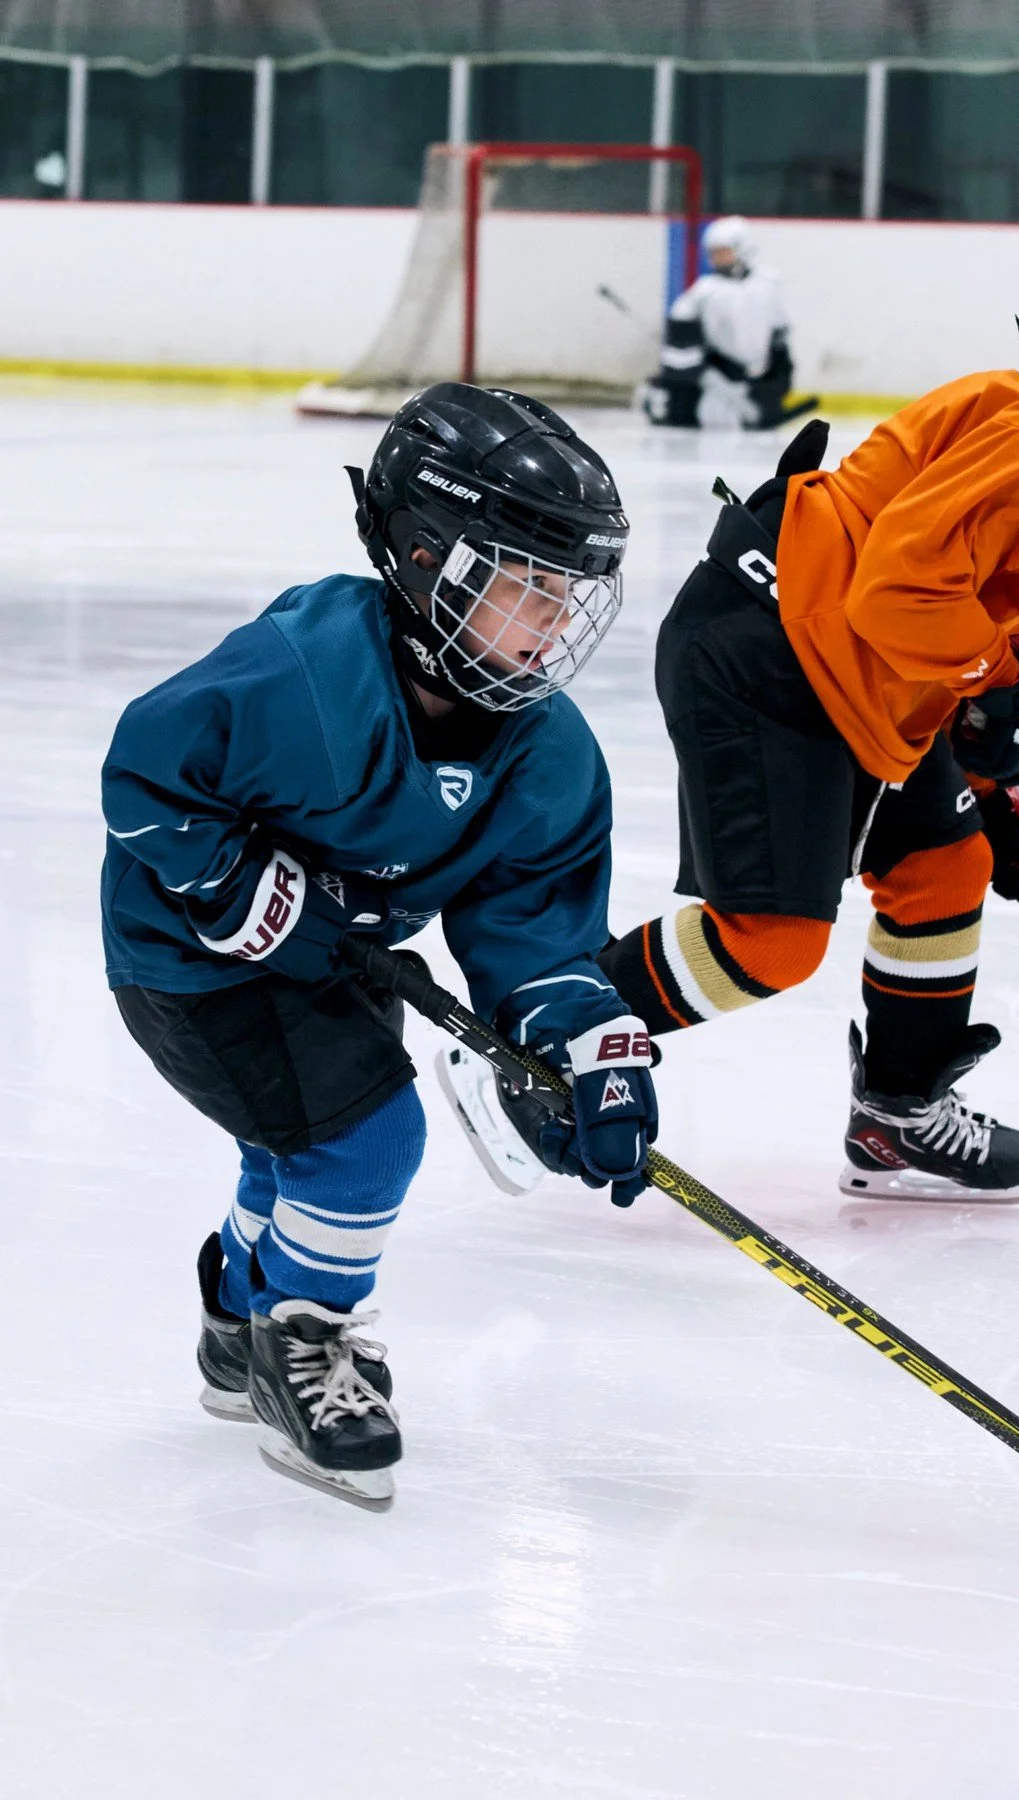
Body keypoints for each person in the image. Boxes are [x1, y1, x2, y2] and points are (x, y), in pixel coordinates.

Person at [466, 243, 1019, 1207]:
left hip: (838, 664)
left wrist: (1002, 767)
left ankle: (897, 1115)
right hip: (770, 660)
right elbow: (897, 597)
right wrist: (997, 683)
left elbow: (924, 604)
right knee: (770, 943)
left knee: (946, 863)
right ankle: (541, 1044)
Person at [100, 384, 660, 1510]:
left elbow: (534, 929)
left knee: (293, 1146)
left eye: (569, 595)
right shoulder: (301, 671)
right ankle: (301, 1339)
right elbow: (146, 775)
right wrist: (239, 884)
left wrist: (584, 1045)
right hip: (193, 961)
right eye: (528, 586)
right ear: (425, 556)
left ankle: (239, 1315)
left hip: (336, 955)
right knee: (366, 1140)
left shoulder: (548, 754)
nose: (554, 624)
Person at [643, 215, 817, 430]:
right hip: (718, 375)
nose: (718, 258)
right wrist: (711, 380)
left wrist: (777, 381)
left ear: (743, 248)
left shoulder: (768, 284)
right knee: (706, 415)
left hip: (755, 376)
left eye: (724, 251)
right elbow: (681, 348)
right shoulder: (703, 291)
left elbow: (779, 338)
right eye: (714, 252)